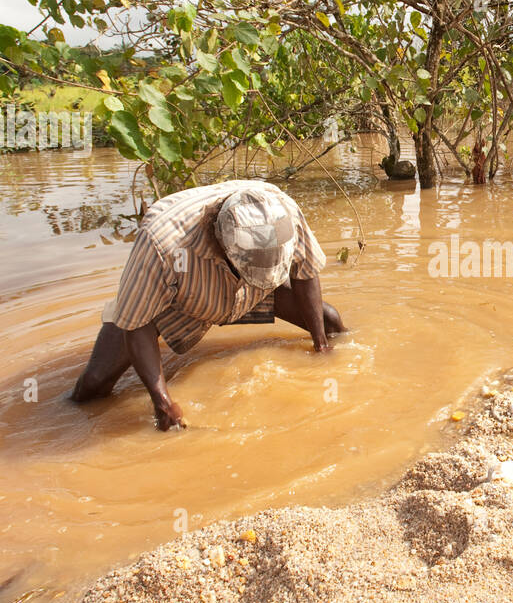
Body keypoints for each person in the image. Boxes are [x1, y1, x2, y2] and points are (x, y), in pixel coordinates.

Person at [70, 180, 345, 429]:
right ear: (220, 247)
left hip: (249, 292)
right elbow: (136, 321)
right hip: (178, 300)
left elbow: (305, 272)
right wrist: (162, 402)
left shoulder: (283, 212)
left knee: (329, 322)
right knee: (93, 386)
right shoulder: (162, 242)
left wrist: (321, 347)